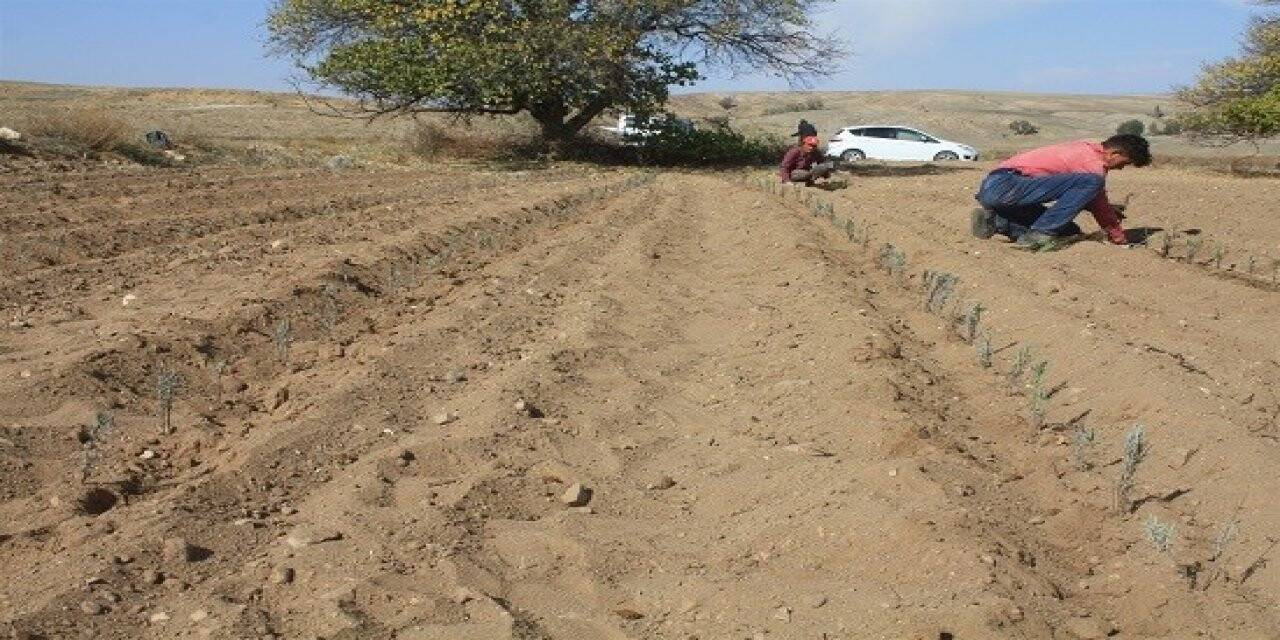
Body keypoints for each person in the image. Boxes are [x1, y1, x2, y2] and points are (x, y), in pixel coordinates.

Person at [970, 134, 1151, 251]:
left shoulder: (1083, 148)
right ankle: (1038, 235)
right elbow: (1099, 206)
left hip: (998, 188)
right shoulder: (1092, 164)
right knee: (1092, 183)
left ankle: (996, 221)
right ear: (1114, 153)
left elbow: (1083, 195)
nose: (1121, 169)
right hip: (1006, 185)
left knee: (1069, 231)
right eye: (1124, 163)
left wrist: (1105, 207)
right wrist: (1119, 239)